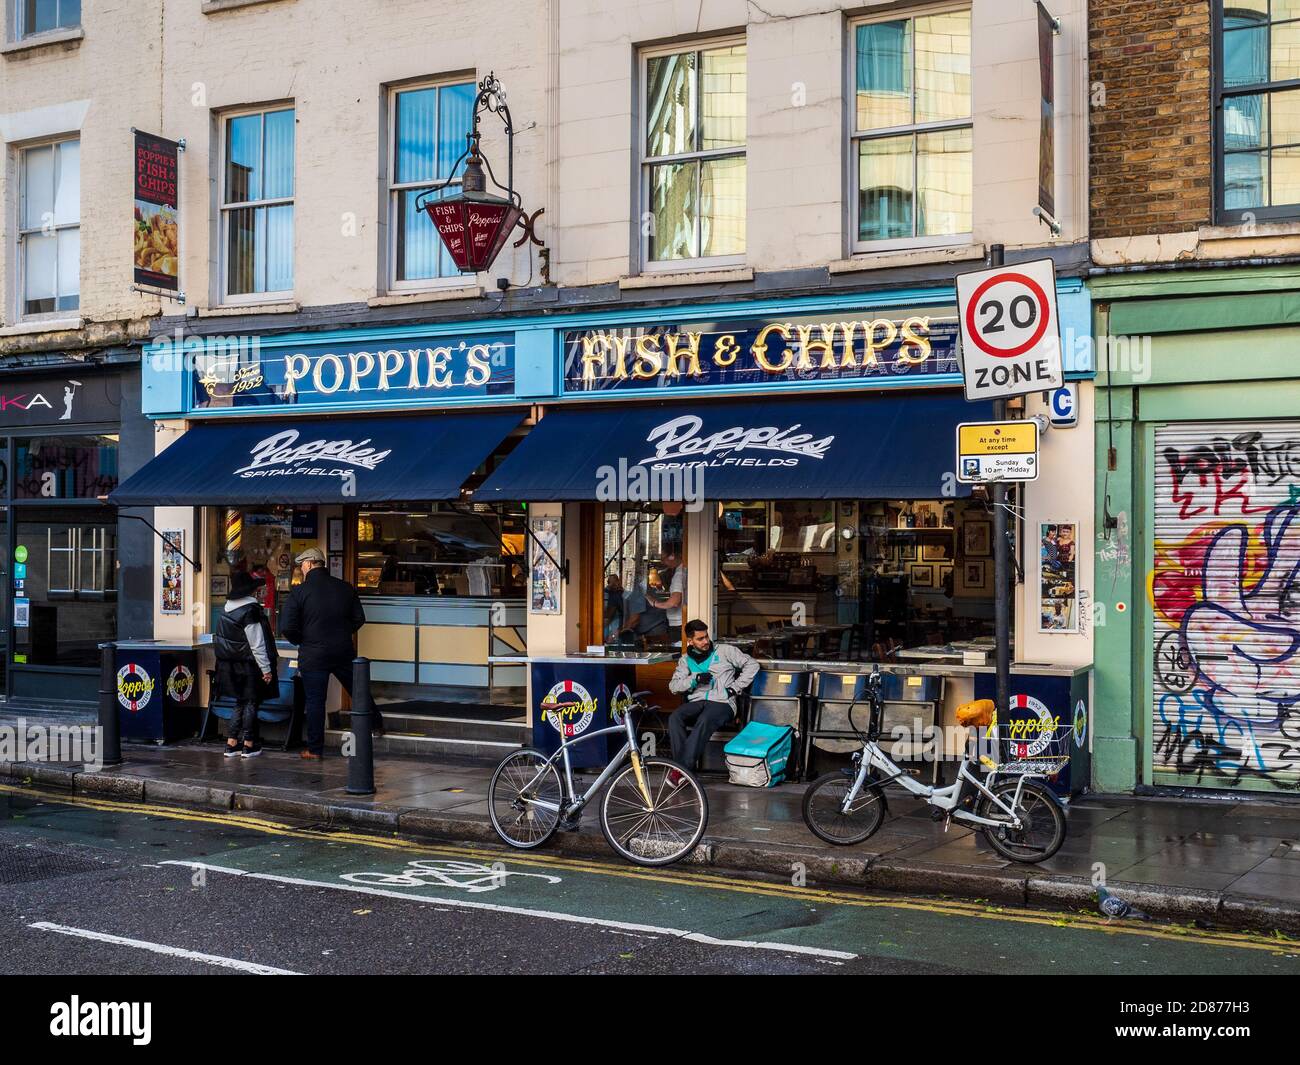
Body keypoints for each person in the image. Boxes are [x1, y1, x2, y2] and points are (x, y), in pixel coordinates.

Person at [281, 547, 379, 760]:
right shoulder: (345, 588)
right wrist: (343, 633)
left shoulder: (299, 592)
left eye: (301, 565)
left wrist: (301, 640)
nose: (301, 569)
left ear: (308, 564)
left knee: (316, 701)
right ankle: (377, 725)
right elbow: (359, 619)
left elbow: (287, 626)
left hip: (313, 654)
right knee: (358, 689)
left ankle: (315, 749)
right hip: (342, 650)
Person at [667, 619, 758, 776]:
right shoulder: (685, 660)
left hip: (723, 702)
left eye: (706, 637)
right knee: (675, 717)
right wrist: (694, 680)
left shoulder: (724, 651)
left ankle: (680, 771)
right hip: (698, 701)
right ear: (690, 641)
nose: (705, 641)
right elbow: (673, 687)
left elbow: (752, 665)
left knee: (705, 719)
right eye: (700, 639)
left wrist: (734, 689)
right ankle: (683, 768)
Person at [213, 569, 278, 759]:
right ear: (250, 592)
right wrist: (266, 669)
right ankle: (249, 744)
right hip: (249, 666)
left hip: (230, 666)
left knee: (239, 702)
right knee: (251, 702)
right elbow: (257, 644)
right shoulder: (250, 611)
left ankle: (231, 743)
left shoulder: (226, 610)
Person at [646, 549, 686, 631]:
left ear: (672, 556)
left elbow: (674, 602)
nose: (663, 563)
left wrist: (654, 603)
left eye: (664, 559)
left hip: (677, 622)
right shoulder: (682, 570)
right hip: (680, 620)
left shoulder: (679, 575)